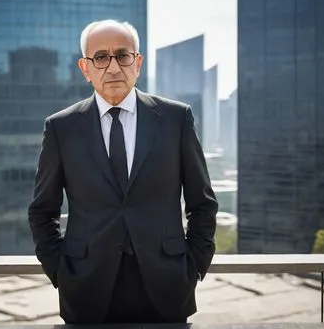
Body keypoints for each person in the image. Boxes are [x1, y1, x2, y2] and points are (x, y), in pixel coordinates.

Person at [28, 19, 218, 324]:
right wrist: (61, 273)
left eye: (123, 55)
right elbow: (42, 211)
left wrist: (192, 268)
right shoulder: (61, 128)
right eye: (101, 57)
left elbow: (203, 204)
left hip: (167, 285)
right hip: (86, 288)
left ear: (137, 63)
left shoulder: (175, 119)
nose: (113, 67)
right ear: (85, 68)